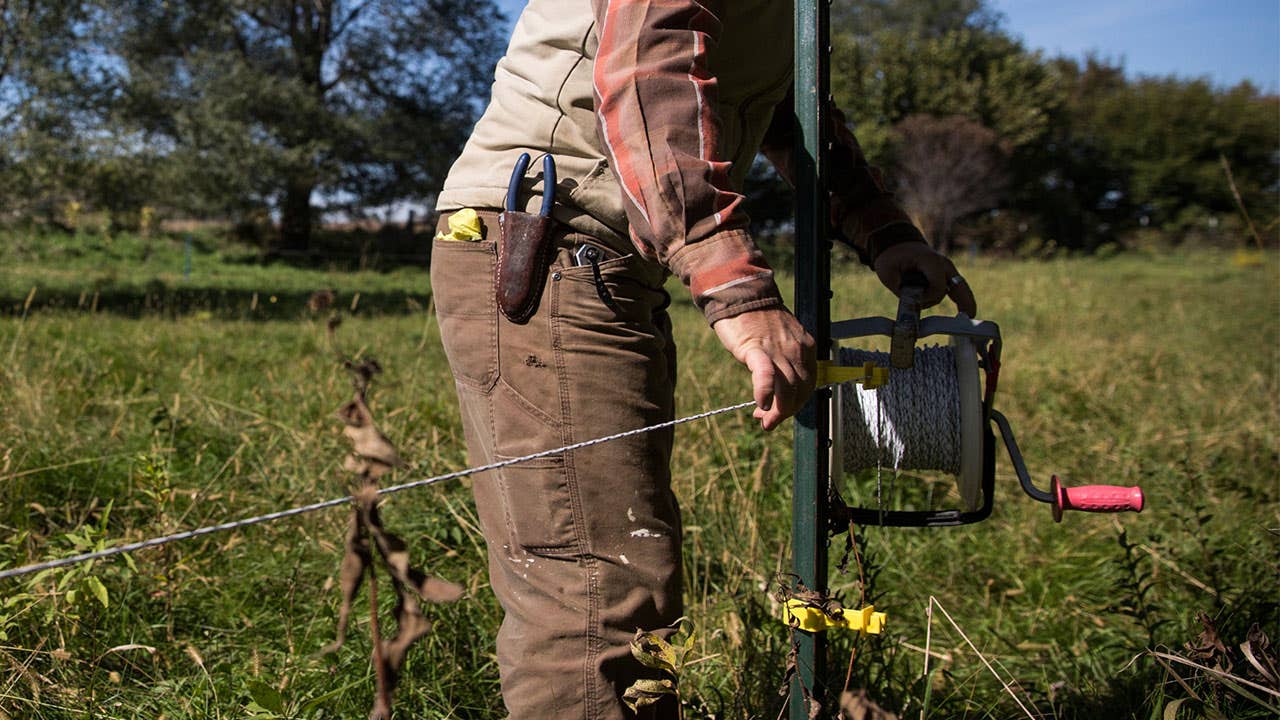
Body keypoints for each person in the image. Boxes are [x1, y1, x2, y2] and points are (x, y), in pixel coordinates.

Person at [430, 1, 976, 717]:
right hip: (545, 243)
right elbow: (648, 73)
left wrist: (882, 228)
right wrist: (734, 284)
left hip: (596, 257)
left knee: (622, 570)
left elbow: (790, 108)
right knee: (599, 596)